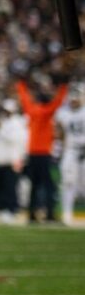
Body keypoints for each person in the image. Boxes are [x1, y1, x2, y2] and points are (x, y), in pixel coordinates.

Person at [16, 78, 67, 224]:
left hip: (32, 153)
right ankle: (49, 214)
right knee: (49, 185)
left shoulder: (31, 110)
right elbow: (57, 103)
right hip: (44, 154)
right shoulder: (46, 112)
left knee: (34, 185)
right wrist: (64, 87)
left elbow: (24, 98)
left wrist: (21, 85)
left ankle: (31, 215)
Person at [54, 90, 85, 225]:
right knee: (68, 183)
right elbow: (59, 133)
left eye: (76, 98)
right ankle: (67, 213)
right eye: (72, 99)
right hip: (70, 150)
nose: (74, 101)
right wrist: (59, 150)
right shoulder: (63, 113)